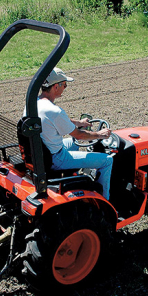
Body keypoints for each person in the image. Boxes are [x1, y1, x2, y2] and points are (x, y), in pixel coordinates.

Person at [35, 67, 114, 200]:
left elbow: (56, 121)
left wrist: (79, 122)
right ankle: (105, 201)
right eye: (64, 85)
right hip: (56, 158)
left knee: (72, 142)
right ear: (55, 86)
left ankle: (74, 179)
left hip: (44, 152)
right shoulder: (55, 111)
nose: (65, 88)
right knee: (107, 160)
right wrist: (100, 134)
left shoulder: (36, 104)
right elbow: (80, 135)